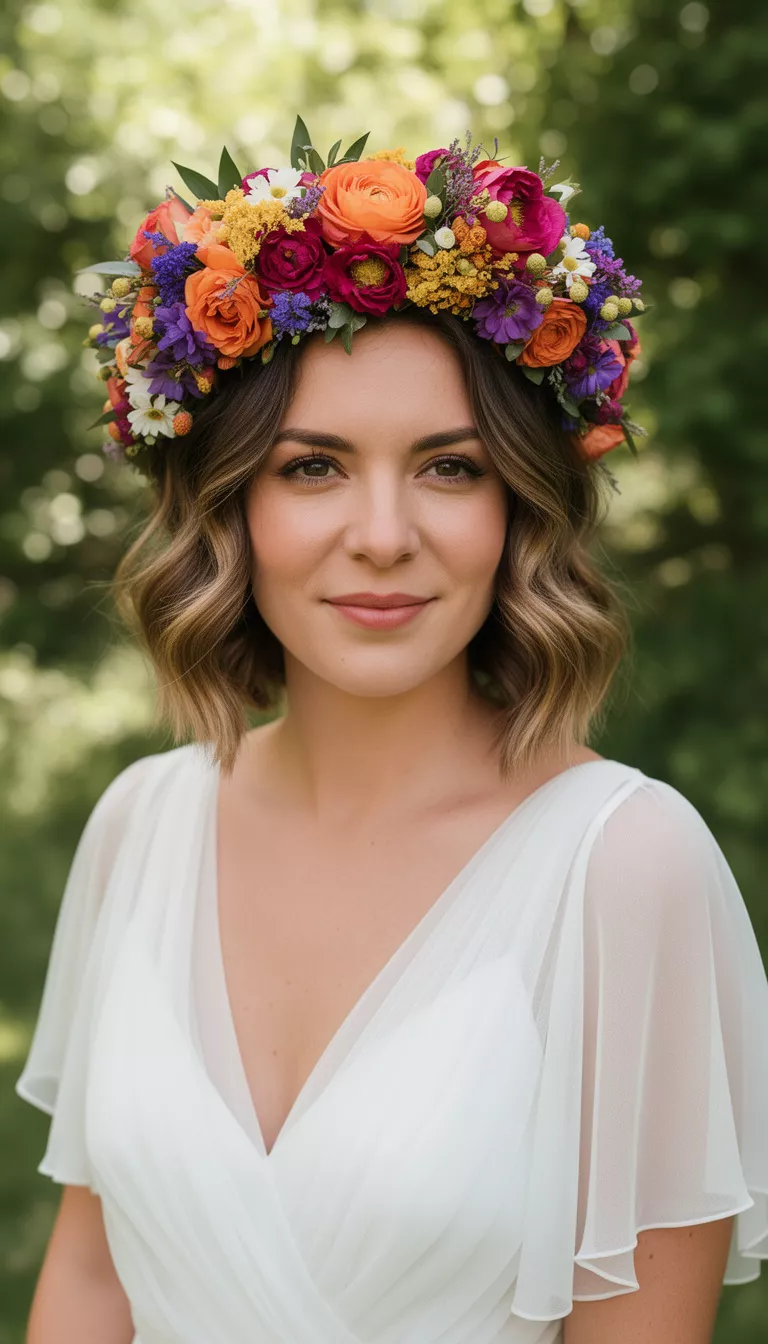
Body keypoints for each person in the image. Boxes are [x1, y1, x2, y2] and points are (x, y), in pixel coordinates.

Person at [15, 124, 768, 1344]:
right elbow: (95, 1284)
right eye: (313, 467)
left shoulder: (627, 870)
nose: (380, 534)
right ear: (232, 503)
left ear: (519, 505)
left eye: (449, 469)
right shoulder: (140, 827)